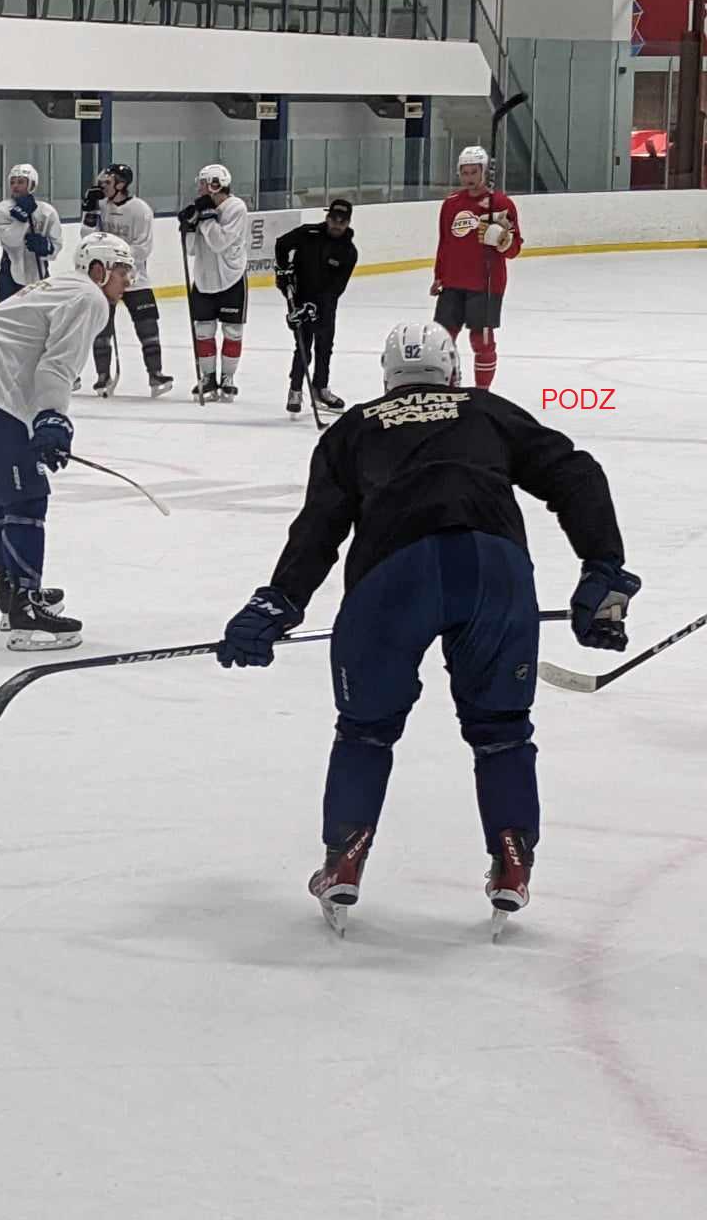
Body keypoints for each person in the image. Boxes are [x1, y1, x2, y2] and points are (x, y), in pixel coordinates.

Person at [214, 319, 638, 931]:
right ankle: (512, 861)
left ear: (387, 378)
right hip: (493, 571)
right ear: (453, 372)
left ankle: (344, 859)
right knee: (501, 732)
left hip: (393, 577)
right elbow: (577, 472)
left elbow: (319, 528)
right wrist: (603, 568)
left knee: (365, 731)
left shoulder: (354, 427)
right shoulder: (485, 409)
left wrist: (278, 602)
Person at [0, 232, 136, 649]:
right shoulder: (90, 298)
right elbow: (56, 366)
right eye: (121, 270)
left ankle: (13, 593)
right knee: (26, 499)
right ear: (98, 270)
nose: (128, 281)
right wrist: (52, 418)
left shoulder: (58, 285)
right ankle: (26, 613)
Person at [432, 145, 522, 391]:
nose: (469, 178)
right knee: (442, 341)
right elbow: (445, 243)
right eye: (465, 172)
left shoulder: (500, 203)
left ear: (484, 172)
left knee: (481, 342)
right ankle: (448, 389)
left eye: (474, 172)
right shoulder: (451, 204)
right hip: (452, 283)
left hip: (486, 284)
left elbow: (514, 250)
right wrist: (439, 275)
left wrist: (502, 240)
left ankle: (483, 393)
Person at [79, 163, 171, 398]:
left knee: (148, 326)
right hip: (105, 280)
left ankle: (155, 373)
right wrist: (90, 212)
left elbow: (143, 248)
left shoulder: (140, 209)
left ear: (121, 185)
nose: (102, 186)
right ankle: (102, 375)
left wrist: (113, 255)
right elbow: (86, 238)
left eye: (107, 183)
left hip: (135, 278)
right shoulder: (100, 206)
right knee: (101, 328)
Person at [274, 196, 358, 415]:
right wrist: (283, 272)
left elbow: (337, 288)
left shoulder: (349, 252)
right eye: (333, 218)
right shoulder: (308, 233)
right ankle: (295, 390)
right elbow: (281, 244)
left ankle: (321, 388)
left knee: (324, 346)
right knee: (303, 345)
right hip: (299, 298)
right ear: (327, 217)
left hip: (326, 305)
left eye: (342, 221)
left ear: (348, 222)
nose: (336, 224)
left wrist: (316, 307)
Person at [180, 162, 250, 402]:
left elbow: (220, 243)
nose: (199, 188)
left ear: (215, 184)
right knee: (203, 331)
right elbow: (191, 250)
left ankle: (228, 378)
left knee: (233, 331)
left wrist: (207, 218)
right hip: (204, 279)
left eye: (203, 183)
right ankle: (208, 377)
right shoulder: (201, 209)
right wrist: (188, 228)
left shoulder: (236, 207)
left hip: (231, 278)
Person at [0, 162, 62, 302]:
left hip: (40, 273)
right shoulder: (1, 210)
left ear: (32, 184)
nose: (15, 186)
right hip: (9, 274)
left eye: (21, 182)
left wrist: (47, 247)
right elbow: (11, 240)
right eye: (12, 182)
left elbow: (56, 244)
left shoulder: (47, 212)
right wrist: (21, 220)